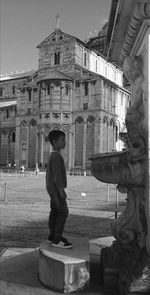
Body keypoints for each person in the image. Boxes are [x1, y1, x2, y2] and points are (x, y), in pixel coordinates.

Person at [46, 130, 72, 249]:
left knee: (55, 211)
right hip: (56, 190)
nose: (64, 142)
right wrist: (61, 190)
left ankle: (52, 235)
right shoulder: (56, 156)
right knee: (63, 211)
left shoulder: (53, 155)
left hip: (52, 189)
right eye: (62, 140)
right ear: (54, 142)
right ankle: (57, 239)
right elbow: (57, 175)